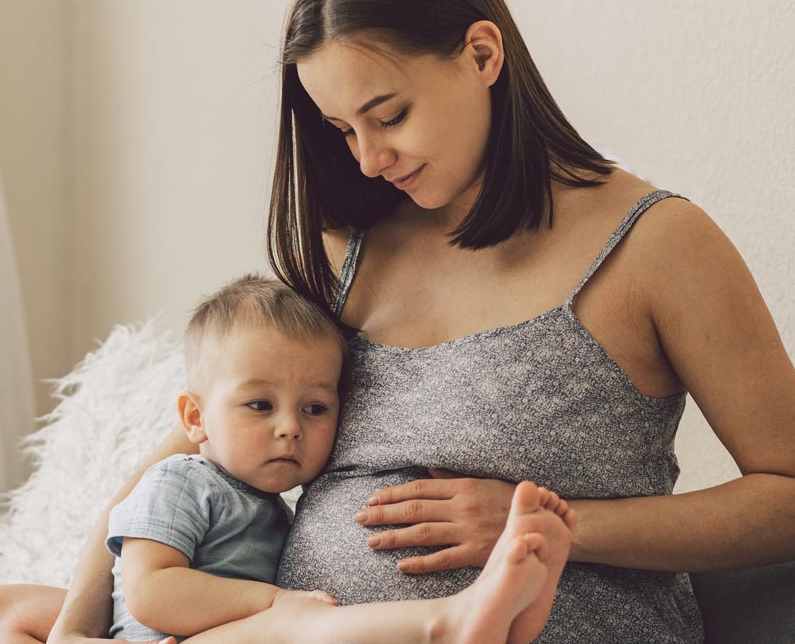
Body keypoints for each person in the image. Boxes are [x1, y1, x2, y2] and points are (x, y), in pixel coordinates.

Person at [0, 0, 795, 644]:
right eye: (344, 129)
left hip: (546, 622)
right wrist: (80, 618)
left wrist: (544, 522)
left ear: (483, 55)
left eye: (388, 114)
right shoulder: (351, 250)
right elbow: (205, 436)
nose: (370, 158)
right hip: (309, 626)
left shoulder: (656, 246)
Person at [105, 273, 579, 644]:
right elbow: (150, 592)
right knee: (297, 628)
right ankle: (446, 624)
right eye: (260, 405)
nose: (290, 427)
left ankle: (513, 623)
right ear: (195, 415)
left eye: (315, 409)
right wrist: (276, 603)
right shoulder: (178, 482)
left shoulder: (270, 508)